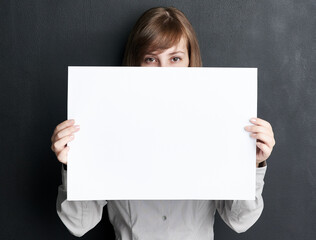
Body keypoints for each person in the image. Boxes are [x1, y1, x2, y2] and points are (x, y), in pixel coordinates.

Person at [51, 6, 276, 239]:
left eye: (175, 58)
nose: (163, 71)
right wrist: (73, 166)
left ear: (190, 61)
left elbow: (240, 220)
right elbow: (79, 223)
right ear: (136, 64)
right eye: (150, 59)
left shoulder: (219, 123)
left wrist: (253, 165)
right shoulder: (105, 123)